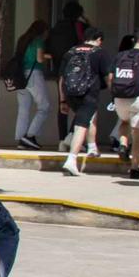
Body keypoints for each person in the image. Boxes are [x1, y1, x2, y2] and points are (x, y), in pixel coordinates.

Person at [56, 25, 106, 177]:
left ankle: (91, 147)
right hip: (88, 94)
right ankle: (72, 159)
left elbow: (61, 78)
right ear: (98, 39)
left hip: (70, 94)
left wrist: (62, 101)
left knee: (87, 119)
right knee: (81, 126)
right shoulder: (99, 53)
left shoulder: (71, 52)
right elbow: (108, 75)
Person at [112, 27, 139, 178]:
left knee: (124, 121)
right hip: (138, 98)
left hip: (119, 97)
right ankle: (135, 168)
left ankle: (123, 144)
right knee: (138, 135)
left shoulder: (121, 55)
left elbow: (111, 77)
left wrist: (114, 94)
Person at [8, 19, 51, 150]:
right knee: (44, 106)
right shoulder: (38, 41)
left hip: (21, 76)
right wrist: (47, 57)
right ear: (42, 31)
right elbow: (39, 58)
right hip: (34, 75)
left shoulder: (22, 39)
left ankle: (20, 138)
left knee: (23, 109)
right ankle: (30, 135)